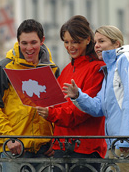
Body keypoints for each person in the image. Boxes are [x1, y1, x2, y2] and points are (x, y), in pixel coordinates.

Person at [63, 25, 129, 172]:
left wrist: (126, 140)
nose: (96, 46)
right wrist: (78, 95)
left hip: (127, 144)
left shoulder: (128, 59)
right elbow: (99, 106)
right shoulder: (110, 68)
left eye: (102, 41)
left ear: (116, 43)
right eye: (96, 42)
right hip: (116, 143)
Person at [0, 19, 60, 171]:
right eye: (24, 43)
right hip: (14, 149)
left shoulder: (53, 69)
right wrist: (9, 138)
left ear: (42, 41)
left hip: (45, 150)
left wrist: (56, 138)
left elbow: (58, 108)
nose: (29, 48)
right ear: (18, 42)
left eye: (33, 42)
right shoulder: (3, 68)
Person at [36, 15, 107, 172]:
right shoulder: (67, 69)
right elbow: (58, 105)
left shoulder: (97, 69)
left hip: (85, 149)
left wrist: (50, 114)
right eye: (66, 42)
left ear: (88, 40)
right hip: (61, 146)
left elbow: (83, 111)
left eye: (75, 42)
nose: (70, 47)